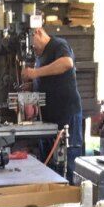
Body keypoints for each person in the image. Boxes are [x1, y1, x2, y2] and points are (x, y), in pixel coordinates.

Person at [21, 27, 83, 181]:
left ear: (39, 33)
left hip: (67, 116)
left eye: (33, 45)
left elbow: (66, 63)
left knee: (68, 163)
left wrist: (35, 73)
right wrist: (31, 86)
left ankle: (71, 195)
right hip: (50, 120)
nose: (33, 49)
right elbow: (47, 80)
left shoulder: (58, 45)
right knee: (50, 166)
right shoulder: (40, 57)